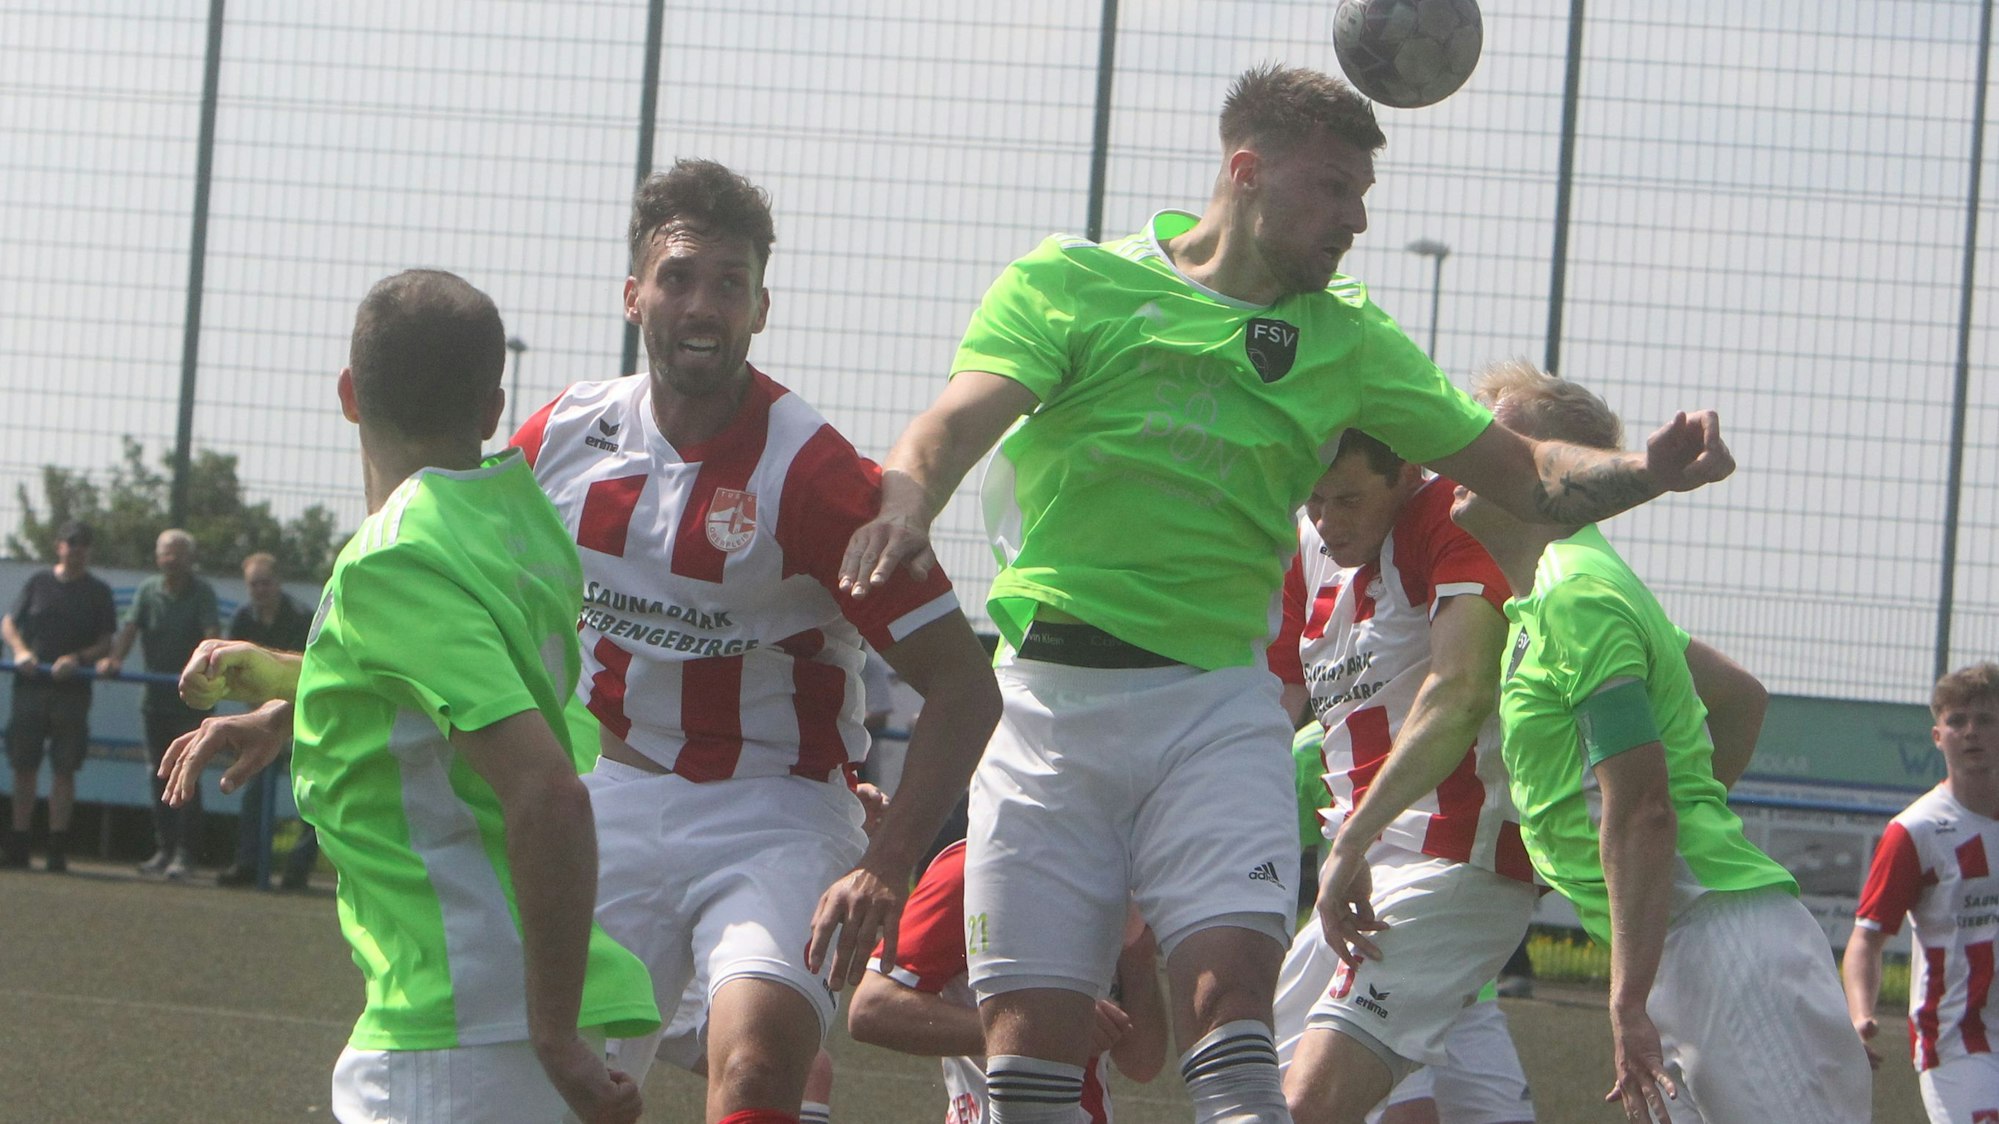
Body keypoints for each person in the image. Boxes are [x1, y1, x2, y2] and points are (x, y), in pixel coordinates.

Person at [838, 63, 1732, 1124]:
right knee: (1029, 1063)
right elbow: (952, 423)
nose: (1355, 219)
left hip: (1214, 714)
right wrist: (907, 498)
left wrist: (1647, 472)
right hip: (1049, 708)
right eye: (1333, 188)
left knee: (1231, 1016)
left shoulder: (1346, 337)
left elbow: (1527, 473)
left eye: (1363, 195)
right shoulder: (1071, 282)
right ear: (1247, 173)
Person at [510, 158, 1001, 1124]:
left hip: (776, 809)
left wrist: (885, 860)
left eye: (729, 284)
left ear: (760, 308)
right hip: (609, 796)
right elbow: (457, 592)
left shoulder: (815, 475)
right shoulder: (563, 438)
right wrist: (304, 689)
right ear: (632, 294)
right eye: (679, 277)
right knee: (548, 1083)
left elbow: (963, 687)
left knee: (756, 1075)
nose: (703, 305)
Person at [159, 269, 658, 1122]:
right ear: (493, 406)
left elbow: (546, 791)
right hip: (513, 1006)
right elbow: (459, 691)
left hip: (469, 1022)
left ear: (349, 394)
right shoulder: (516, 519)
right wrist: (293, 702)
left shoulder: (394, 556)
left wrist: (550, 1034)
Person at [1449, 360, 1868, 1124]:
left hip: (1719, 949)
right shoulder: (1557, 592)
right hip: (1688, 942)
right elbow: (1739, 698)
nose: (1468, 448)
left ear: (1560, 470)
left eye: (1497, 433)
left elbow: (1641, 809)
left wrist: (1627, 995)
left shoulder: (1576, 595)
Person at [1266, 430, 1535, 1124]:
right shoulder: (1304, 547)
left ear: (1407, 473)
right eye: (1316, 499)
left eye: (1349, 498)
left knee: (1305, 1107)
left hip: (1450, 859)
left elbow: (1461, 688)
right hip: (1360, 874)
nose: (1328, 521)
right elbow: (1267, 706)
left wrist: (1352, 839)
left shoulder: (1448, 513)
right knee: (1254, 1094)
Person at [848, 838, 1169, 1124]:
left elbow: (1142, 1064)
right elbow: (872, 1008)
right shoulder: (972, 869)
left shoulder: (1108, 879)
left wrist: (1138, 955)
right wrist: (1035, 1032)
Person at [1844, 662, 1999, 1124]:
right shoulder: (1916, 831)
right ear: (1938, 736)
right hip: (1958, 1041)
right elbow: (1866, 938)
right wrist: (1859, 1015)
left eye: (1986, 720)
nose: (1971, 732)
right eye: (1957, 721)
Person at [98, 527, 219, 879]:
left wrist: (211, 663)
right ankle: (163, 850)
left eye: (179, 552)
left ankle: (186, 855)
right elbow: (130, 629)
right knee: (159, 775)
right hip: (154, 702)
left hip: (192, 703)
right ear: (157, 557)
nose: (172, 559)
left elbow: (212, 637)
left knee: (188, 775)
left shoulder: (203, 593)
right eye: (167, 552)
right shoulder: (148, 590)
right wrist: (114, 660)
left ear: (190, 558)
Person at [2, 519, 117, 871]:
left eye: (82, 544)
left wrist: (78, 659)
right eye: (70, 543)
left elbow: (106, 643)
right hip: (30, 689)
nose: (75, 549)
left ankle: (56, 848)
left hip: (73, 693)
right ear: (58, 546)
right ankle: (19, 844)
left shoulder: (99, 591)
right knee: (24, 767)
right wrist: (20, 651)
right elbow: (8, 623)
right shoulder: (38, 583)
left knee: (64, 770)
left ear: (89, 550)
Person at [215, 551, 317, 889]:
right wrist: (261, 715)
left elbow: (312, 668)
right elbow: (236, 673)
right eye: (253, 584)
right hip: (260, 718)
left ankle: (297, 872)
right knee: (253, 790)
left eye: (266, 582)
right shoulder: (243, 619)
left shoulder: (301, 617)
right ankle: (247, 865)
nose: (260, 590)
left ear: (279, 583)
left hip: (304, 717)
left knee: (314, 794)